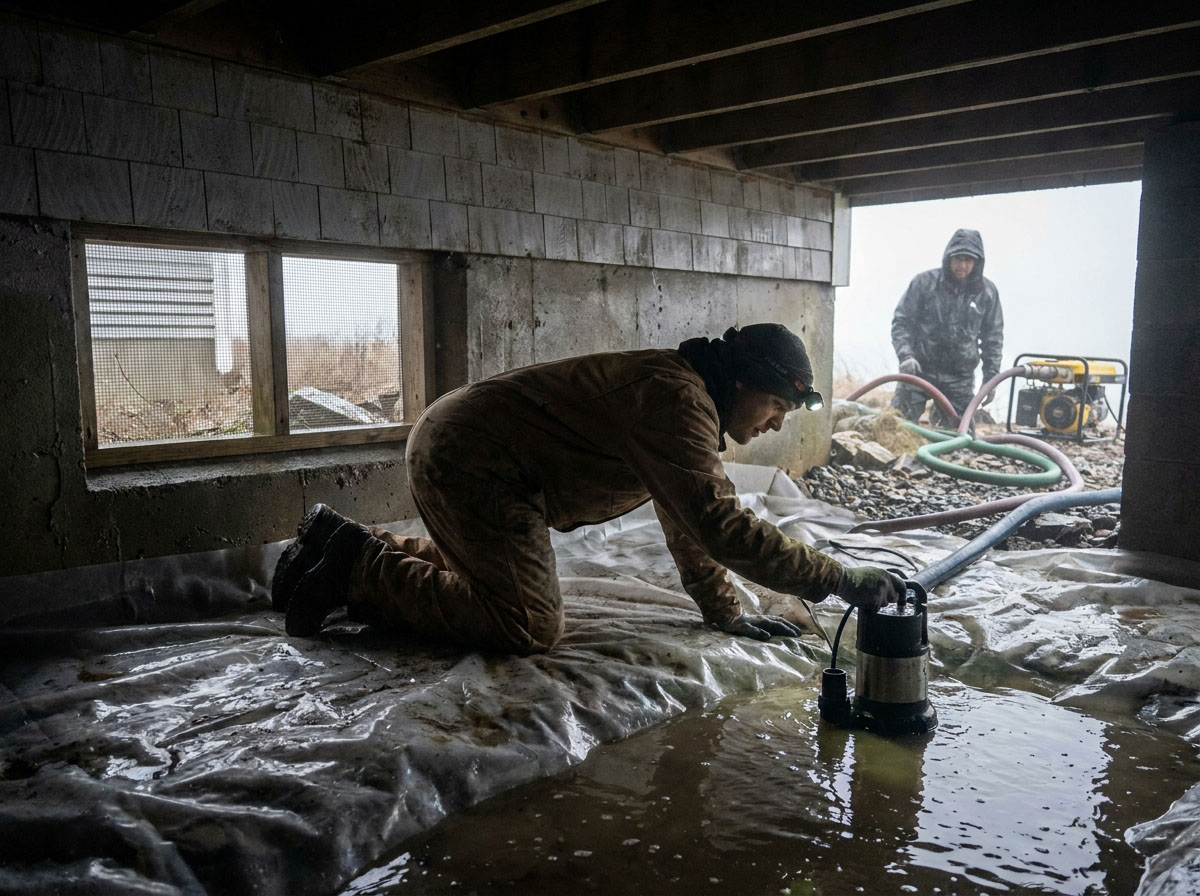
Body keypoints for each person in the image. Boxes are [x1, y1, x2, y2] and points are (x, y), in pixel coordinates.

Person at [271, 323, 906, 654]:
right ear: (742, 383)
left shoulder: (688, 399)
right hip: (475, 461)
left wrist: (725, 611)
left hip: (469, 447)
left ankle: (343, 541)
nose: (773, 424)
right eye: (775, 406)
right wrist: (838, 579)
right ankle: (356, 571)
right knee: (527, 623)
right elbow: (720, 525)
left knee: (499, 575)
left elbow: (686, 517)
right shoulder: (677, 403)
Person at [890, 228, 1004, 428]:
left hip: (959, 378)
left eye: (968, 260)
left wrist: (990, 379)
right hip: (919, 370)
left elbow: (992, 339)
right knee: (895, 427)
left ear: (977, 263)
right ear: (948, 258)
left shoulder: (987, 293)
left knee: (961, 437)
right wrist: (906, 356)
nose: (962, 265)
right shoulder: (923, 283)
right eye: (958, 259)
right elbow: (902, 322)